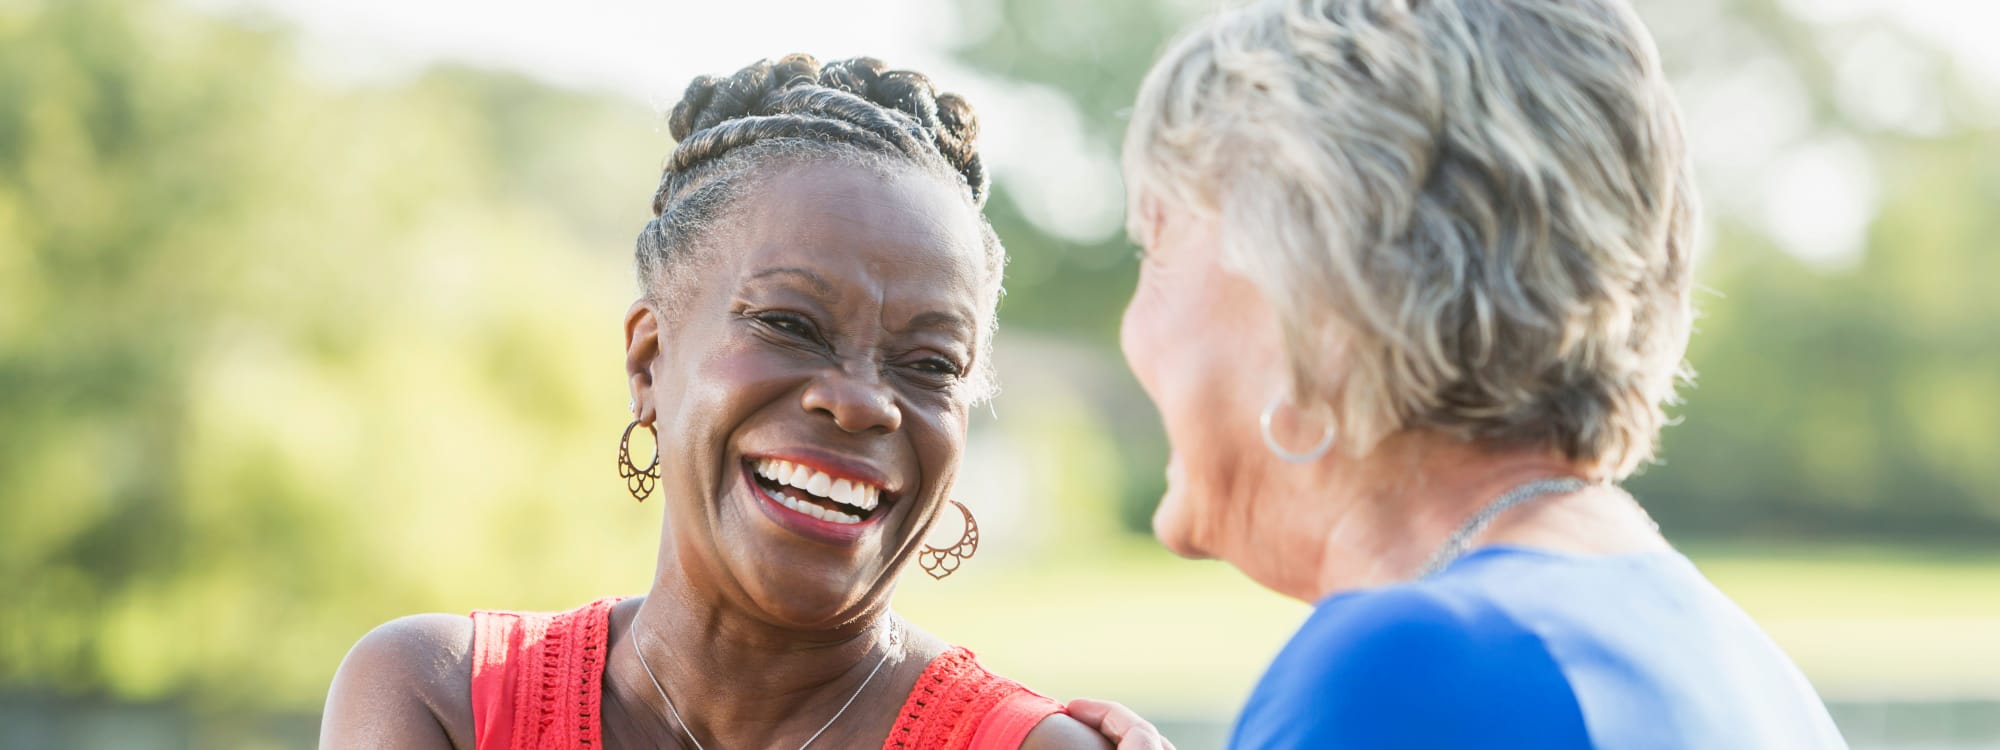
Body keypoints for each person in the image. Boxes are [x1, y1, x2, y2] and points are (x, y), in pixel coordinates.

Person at [1085, 0, 1851, 746]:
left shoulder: (1416, 670)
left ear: (1317, 314)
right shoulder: (1739, 662)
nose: (1130, 329)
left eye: (1156, 254)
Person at [319, 54, 1119, 750]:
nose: (864, 404)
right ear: (648, 362)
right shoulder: (442, 699)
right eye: (789, 324)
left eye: (931, 362)